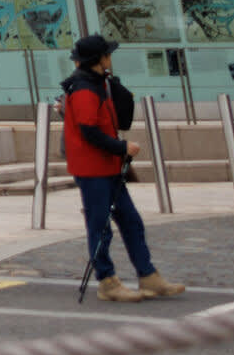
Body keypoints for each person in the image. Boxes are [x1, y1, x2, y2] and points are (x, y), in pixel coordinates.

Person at [62, 35, 185, 302]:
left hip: (107, 167)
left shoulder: (96, 84)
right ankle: (107, 281)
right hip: (93, 169)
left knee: (131, 222)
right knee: (100, 227)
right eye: (108, 54)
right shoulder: (84, 89)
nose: (111, 58)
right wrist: (122, 147)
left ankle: (148, 276)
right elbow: (89, 132)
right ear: (100, 59)